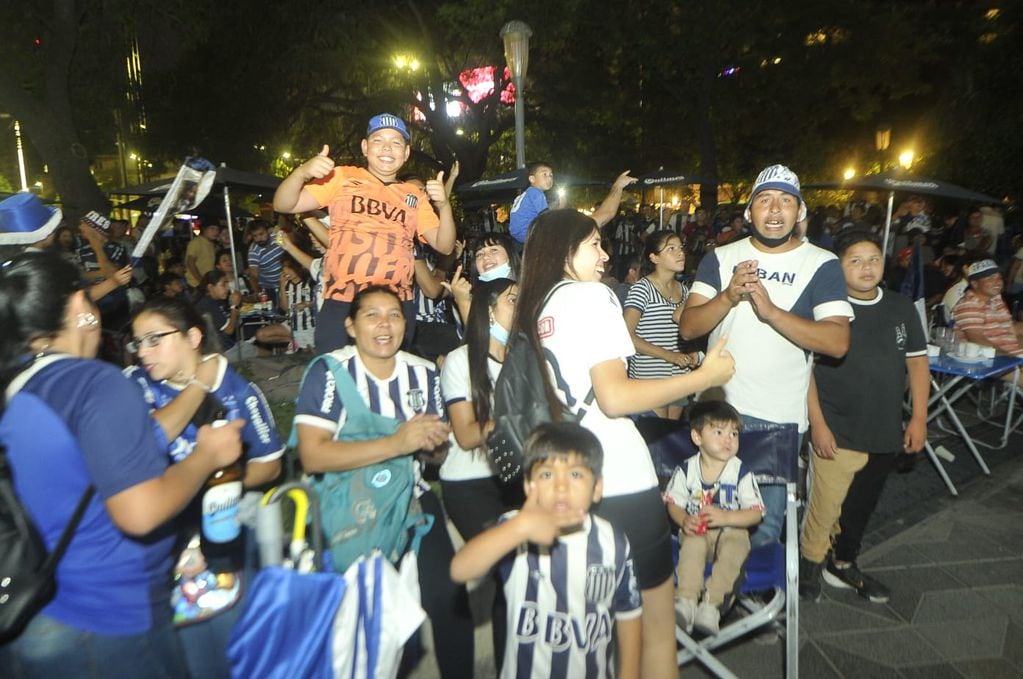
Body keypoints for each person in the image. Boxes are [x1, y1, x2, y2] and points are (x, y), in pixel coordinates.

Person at [514, 208, 734, 678]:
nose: (605, 253)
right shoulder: (593, 297)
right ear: (565, 251)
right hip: (617, 478)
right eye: (594, 243)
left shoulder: (538, 305)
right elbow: (615, 397)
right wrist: (703, 376)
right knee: (653, 631)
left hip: (568, 481)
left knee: (597, 633)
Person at [0, 251, 243, 677]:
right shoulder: (95, 382)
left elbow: (124, 445)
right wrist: (207, 457)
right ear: (80, 307)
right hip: (108, 620)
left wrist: (197, 386)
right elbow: (140, 511)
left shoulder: (23, 388)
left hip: (36, 612)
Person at [293, 285, 474, 678]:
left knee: (449, 596)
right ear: (351, 326)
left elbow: (433, 459)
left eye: (394, 314)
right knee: (364, 618)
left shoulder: (423, 374)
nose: (384, 325)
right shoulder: (330, 373)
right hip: (346, 504)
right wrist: (396, 442)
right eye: (371, 315)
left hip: (410, 498)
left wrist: (432, 445)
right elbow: (313, 454)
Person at [680, 164, 853, 548]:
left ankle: (748, 602)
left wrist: (772, 312)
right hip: (716, 409)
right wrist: (727, 296)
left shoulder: (821, 263)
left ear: (800, 212)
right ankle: (712, 599)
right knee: (704, 518)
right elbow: (689, 328)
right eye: (765, 200)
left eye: (785, 201)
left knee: (765, 527)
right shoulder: (721, 257)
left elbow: (837, 342)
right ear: (748, 212)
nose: (775, 210)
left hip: (778, 419)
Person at [123, 297, 284, 678]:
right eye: (137, 342)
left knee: (221, 647)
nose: (143, 352)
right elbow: (147, 438)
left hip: (219, 539)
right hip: (155, 543)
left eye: (154, 339)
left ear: (193, 337)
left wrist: (221, 484)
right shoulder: (133, 386)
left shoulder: (238, 391)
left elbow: (270, 462)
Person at [450, 421, 642, 679]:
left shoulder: (614, 542)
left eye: (575, 474)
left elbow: (629, 617)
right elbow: (460, 569)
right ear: (529, 487)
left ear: (597, 488)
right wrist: (519, 528)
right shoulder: (514, 530)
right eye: (547, 475)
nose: (561, 487)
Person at [799, 229, 929, 603]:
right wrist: (818, 426)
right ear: (838, 268)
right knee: (824, 506)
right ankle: (809, 565)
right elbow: (804, 372)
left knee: (862, 505)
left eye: (873, 258)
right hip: (837, 429)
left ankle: (842, 563)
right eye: (854, 260)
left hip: (885, 429)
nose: (866, 267)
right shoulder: (826, 310)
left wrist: (918, 417)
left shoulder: (900, 307)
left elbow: (918, 365)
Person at [271, 113, 457, 353]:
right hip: (342, 300)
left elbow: (444, 246)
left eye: (396, 142)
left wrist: (444, 206)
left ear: (407, 153)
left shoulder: (414, 196)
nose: (387, 148)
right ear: (365, 147)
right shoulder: (341, 177)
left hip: (397, 305)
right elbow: (283, 204)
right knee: (339, 380)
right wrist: (302, 173)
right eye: (378, 140)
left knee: (387, 383)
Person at [439, 277, 521, 667]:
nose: (521, 305)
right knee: (512, 567)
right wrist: (516, 414)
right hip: (469, 483)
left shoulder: (522, 356)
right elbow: (468, 435)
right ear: (489, 310)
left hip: (515, 476)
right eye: (513, 299)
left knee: (518, 578)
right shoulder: (460, 361)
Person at [664, 401, 764, 635]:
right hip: (698, 529)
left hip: (731, 531)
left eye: (734, 433)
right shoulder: (686, 470)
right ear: (697, 437)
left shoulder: (740, 472)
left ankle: (711, 605)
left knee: (736, 545)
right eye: (719, 432)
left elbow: (756, 512)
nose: (728, 439)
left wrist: (727, 516)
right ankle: (686, 602)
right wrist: (683, 520)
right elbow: (673, 502)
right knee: (692, 541)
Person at [624, 230, 699, 419]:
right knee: (655, 442)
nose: (680, 253)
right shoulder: (642, 289)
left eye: (681, 248)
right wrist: (669, 356)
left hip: (678, 376)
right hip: (649, 377)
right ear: (654, 258)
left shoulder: (685, 291)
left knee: (670, 441)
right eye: (671, 249)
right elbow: (626, 336)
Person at [510, 163, 637, 247]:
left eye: (551, 175)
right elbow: (546, 217)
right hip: (530, 233)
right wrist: (618, 186)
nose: (549, 178)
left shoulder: (527, 195)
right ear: (532, 178)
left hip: (522, 236)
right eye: (544, 174)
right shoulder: (536, 193)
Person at [952, 259, 1023, 358]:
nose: (998, 282)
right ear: (975, 284)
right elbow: (977, 340)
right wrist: (1012, 359)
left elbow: (1011, 329)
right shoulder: (969, 305)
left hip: (1012, 353)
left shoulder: (996, 300)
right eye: (991, 279)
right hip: (995, 360)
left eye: (999, 278)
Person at [245, 220, 284, 306]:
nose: (259, 238)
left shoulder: (277, 238)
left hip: (285, 283)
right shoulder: (253, 251)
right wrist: (257, 292)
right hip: (269, 289)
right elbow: (254, 275)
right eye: (255, 236)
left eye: (261, 234)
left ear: (267, 231)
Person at [185, 222, 220, 289]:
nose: (215, 232)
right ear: (204, 229)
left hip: (207, 283)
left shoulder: (212, 244)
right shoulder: (196, 242)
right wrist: (201, 281)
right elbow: (190, 263)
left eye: (217, 229)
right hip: (195, 284)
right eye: (212, 229)